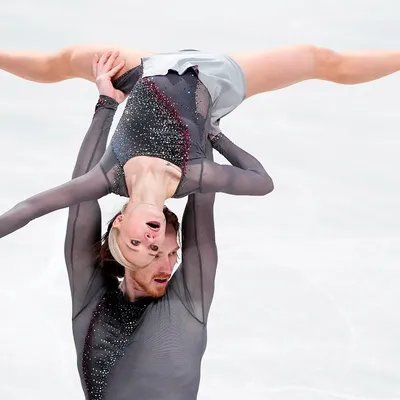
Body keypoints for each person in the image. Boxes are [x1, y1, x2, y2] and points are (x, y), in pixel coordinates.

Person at [0, 50, 274, 270]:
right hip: (214, 74)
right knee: (313, 58)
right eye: (154, 249)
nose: (149, 242)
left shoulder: (107, 177)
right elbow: (263, 183)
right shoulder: (194, 177)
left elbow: (30, 207)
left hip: (146, 66)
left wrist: (106, 100)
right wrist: (215, 136)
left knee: (58, 62)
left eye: (134, 243)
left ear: (119, 221)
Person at [63, 63, 224, 400]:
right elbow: (80, 204)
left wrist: (204, 120)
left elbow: (203, 205)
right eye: (155, 253)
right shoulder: (93, 302)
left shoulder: (188, 301)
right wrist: (106, 105)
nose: (167, 267)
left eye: (172, 254)